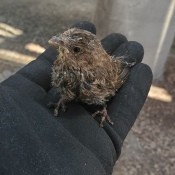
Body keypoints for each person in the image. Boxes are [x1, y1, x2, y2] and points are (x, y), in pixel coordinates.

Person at [0, 21, 152, 175]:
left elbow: (114, 83)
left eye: (76, 49)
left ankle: (102, 108)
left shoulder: (101, 74)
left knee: (101, 96)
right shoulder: (63, 62)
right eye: (62, 37)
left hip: (100, 87)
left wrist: (103, 107)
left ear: (88, 58)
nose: (57, 41)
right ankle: (64, 99)